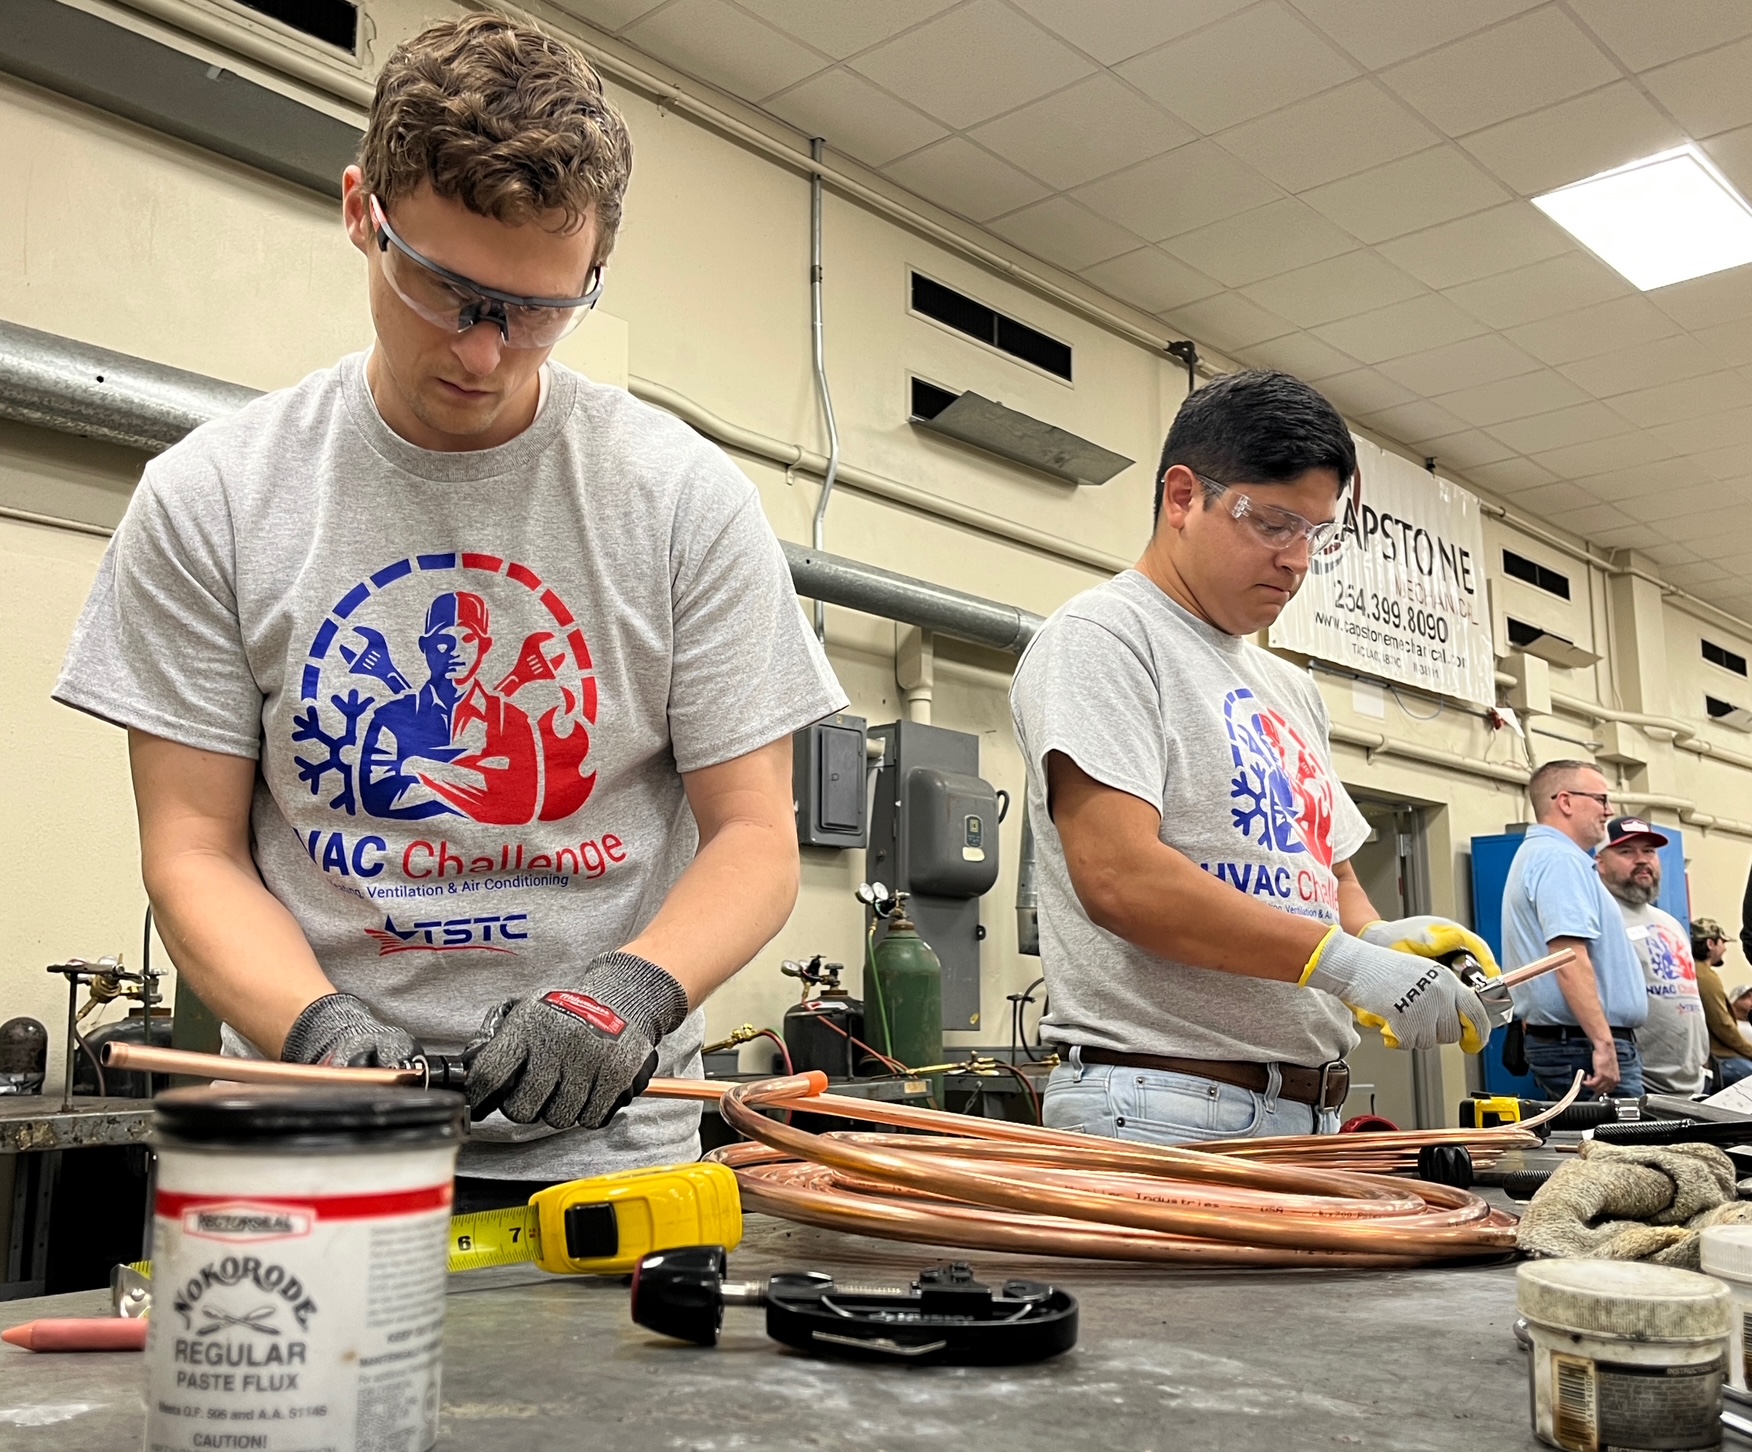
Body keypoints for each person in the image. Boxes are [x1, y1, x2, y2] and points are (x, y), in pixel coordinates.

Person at [52, 16, 846, 1207]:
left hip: (602, 1171)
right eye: (443, 287)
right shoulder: (215, 495)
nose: (485, 352)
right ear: (361, 211)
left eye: (537, 309)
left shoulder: (680, 499)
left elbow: (755, 838)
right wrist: (316, 1027)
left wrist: (627, 993)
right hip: (306, 1151)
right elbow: (195, 848)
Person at [1010, 369, 1492, 1147]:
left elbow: (1328, 879)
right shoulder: (1105, 637)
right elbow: (1120, 878)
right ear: (1181, 498)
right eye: (1273, 523)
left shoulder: (1290, 689)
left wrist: (1377, 941)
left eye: (1316, 533)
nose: (1298, 559)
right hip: (1162, 1102)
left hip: (1308, 1108)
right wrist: (1346, 965)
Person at [1504, 762, 1647, 1100]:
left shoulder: (1548, 856)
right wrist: (1602, 1042)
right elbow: (1568, 958)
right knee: (1620, 1151)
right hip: (1581, 1044)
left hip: (1573, 1040)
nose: (1609, 810)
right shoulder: (1559, 860)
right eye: (1601, 799)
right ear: (1565, 802)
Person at [1595, 818, 1704, 1096]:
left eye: (1649, 851)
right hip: (1637, 1082)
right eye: (1627, 852)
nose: (1642, 860)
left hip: (1692, 1082)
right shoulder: (1598, 918)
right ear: (1600, 862)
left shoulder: (1671, 924)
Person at [1695, 918, 1752, 1087]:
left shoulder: (1694, 971)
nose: (1725, 948)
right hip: (1719, 1057)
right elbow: (1723, 1025)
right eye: (1723, 942)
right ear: (1711, 943)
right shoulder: (1705, 977)